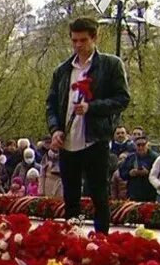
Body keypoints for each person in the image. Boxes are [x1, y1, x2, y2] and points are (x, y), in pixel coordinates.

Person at [46, 16, 131, 234]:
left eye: (83, 40)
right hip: (68, 142)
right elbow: (52, 104)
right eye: (74, 40)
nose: (78, 45)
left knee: (99, 196)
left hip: (95, 139)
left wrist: (92, 107)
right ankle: (72, 239)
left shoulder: (110, 65)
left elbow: (122, 99)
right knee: (70, 197)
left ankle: (102, 240)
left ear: (94, 38)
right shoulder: (63, 70)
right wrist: (55, 129)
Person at [119, 136, 158, 202]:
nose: (141, 147)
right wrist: (130, 173)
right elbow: (122, 174)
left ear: (147, 145)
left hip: (150, 194)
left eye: (143, 145)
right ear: (135, 146)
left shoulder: (155, 158)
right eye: (138, 145)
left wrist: (148, 173)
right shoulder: (130, 158)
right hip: (133, 194)